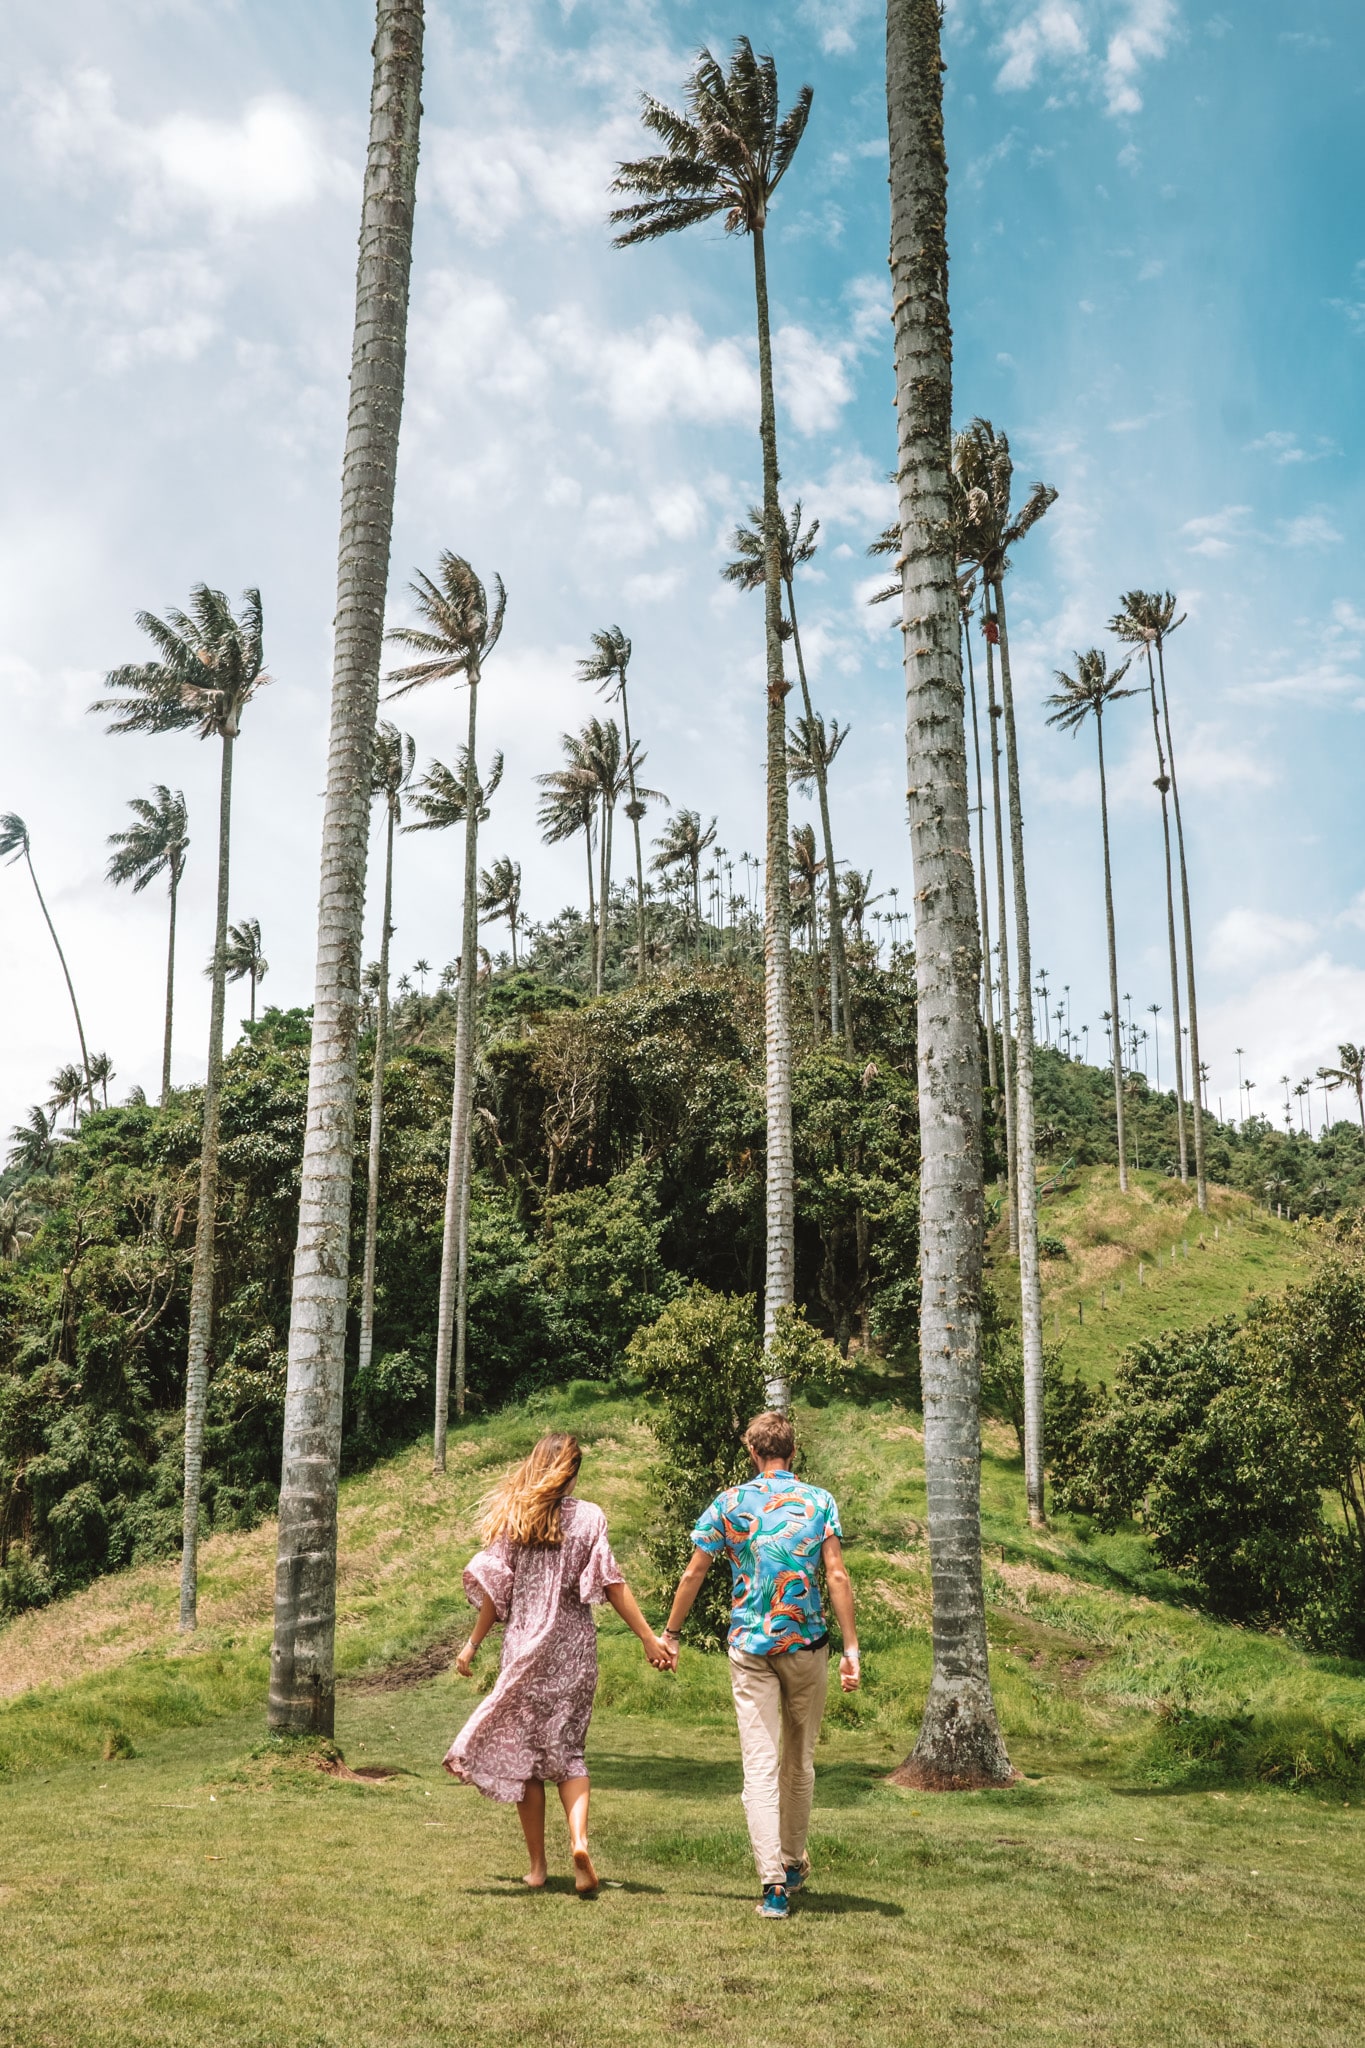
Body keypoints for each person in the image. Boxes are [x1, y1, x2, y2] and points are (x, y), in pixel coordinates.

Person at [443, 1431, 671, 1893]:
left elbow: (495, 1591)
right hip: (574, 1650)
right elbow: (612, 1585)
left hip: (524, 1650)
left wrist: (471, 1645)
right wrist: (649, 1639)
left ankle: (537, 1868)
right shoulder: (590, 1518)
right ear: (573, 1472)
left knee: (527, 1757)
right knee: (569, 1753)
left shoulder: (515, 1519)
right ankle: (580, 1841)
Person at [657, 1409, 859, 1919]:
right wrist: (852, 1650)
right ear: (793, 1451)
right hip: (807, 1647)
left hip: (749, 1648)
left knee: (760, 1766)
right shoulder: (818, 1501)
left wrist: (672, 1634)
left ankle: (772, 1887)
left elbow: (694, 1573)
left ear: (753, 1452)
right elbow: (836, 1576)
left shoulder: (729, 1503)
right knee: (800, 1761)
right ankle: (790, 1863)